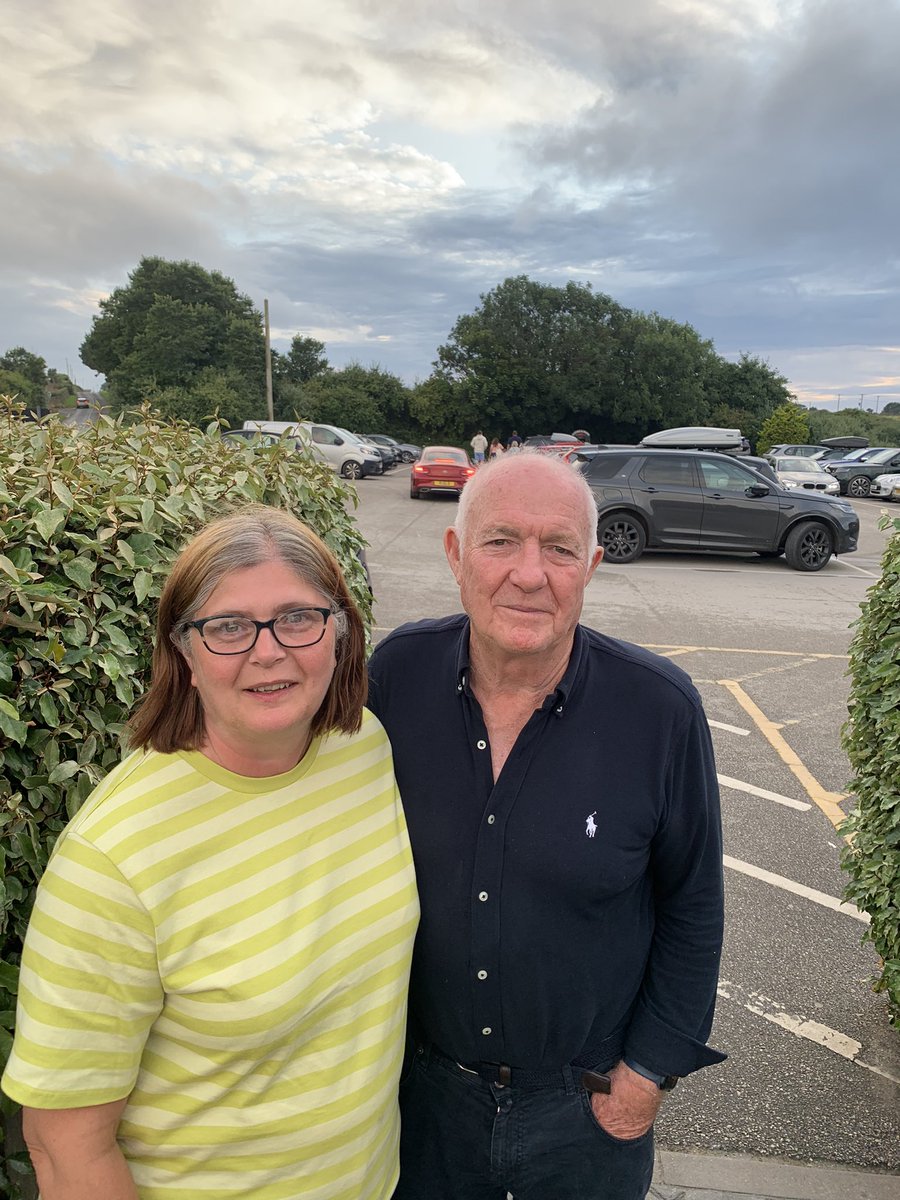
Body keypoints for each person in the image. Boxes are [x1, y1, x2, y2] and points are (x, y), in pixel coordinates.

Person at [2, 506, 419, 1200]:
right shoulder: (114, 860)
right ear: (183, 653)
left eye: (297, 617)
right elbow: (63, 1146)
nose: (267, 651)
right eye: (227, 627)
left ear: (340, 634)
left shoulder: (362, 751)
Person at [367, 453, 725, 1200]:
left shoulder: (661, 709)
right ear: (456, 555)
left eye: (559, 548)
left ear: (591, 565)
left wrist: (647, 1075)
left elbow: (692, 903)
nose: (530, 574)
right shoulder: (396, 677)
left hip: (585, 1111)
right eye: (500, 541)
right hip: (421, 1101)